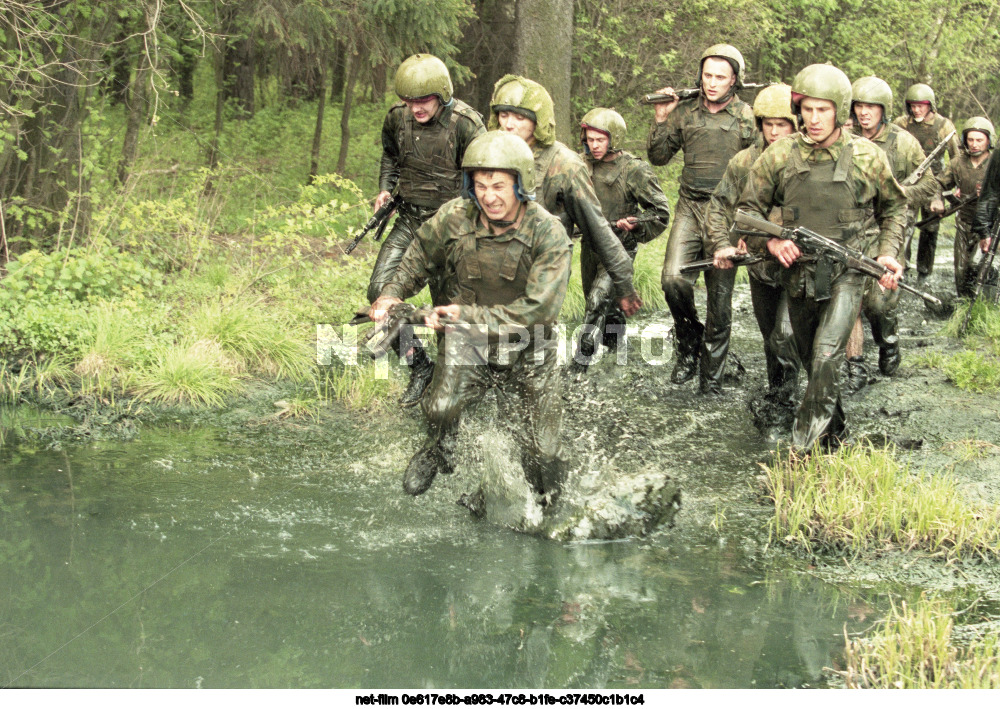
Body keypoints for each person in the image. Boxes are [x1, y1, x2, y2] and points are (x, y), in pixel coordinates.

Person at [370, 131, 572, 500]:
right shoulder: (454, 216)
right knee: (439, 409)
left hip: (531, 346)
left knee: (542, 453)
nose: (489, 196)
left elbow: (539, 309)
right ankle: (441, 448)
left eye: (499, 185)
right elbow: (419, 254)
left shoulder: (549, 233)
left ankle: (549, 507)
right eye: (479, 185)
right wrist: (391, 294)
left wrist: (467, 316)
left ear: (521, 184)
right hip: (468, 340)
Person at [738, 64, 907, 451]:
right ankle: (836, 437)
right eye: (808, 110)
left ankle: (803, 450)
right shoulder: (778, 157)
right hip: (797, 274)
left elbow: (896, 208)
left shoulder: (868, 157)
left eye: (823, 111)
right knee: (814, 362)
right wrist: (773, 244)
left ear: (840, 110)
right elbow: (747, 214)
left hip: (848, 271)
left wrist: (887, 252)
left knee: (827, 354)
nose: (814, 120)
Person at [367, 53, 486, 407]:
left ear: (442, 94)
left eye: (424, 100)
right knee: (381, 291)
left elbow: (485, 175)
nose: (416, 108)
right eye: (410, 101)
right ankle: (418, 366)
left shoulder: (466, 124)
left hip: (453, 228)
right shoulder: (396, 120)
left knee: (449, 311)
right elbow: (390, 155)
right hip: (410, 219)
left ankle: (462, 388)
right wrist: (386, 188)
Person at [488, 76, 643, 333]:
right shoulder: (490, 154)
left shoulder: (565, 164)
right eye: (503, 115)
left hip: (545, 266)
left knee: (532, 341)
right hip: (495, 261)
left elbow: (598, 230)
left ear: (538, 120)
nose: (508, 124)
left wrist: (624, 286)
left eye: (519, 117)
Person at [646, 44, 757, 386]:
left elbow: (762, 169)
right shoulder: (686, 112)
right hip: (690, 209)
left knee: (720, 303)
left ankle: (712, 377)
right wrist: (663, 118)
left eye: (720, 77)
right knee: (673, 280)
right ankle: (689, 342)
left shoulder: (747, 118)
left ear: (734, 80)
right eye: (707, 75)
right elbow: (659, 158)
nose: (712, 83)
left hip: (728, 215)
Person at [842, 76, 938, 392]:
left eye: (871, 106)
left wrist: (899, 192)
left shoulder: (904, 142)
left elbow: (930, 185)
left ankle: (888, 341)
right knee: (851, 299)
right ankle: (854, 366)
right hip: (851, 228)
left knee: (879, 302)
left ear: (884, 109)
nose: (864, 112)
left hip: (889, 228)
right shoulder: (842, 137)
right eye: (858, 105)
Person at [709, 83, 800, 415]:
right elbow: (720, 206)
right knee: (770, 339)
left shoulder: (810, 159)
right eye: (768, 124)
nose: (774, 132)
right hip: (761, 266)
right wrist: (723, 243)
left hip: (800, 266)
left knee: (786, 336)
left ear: (796, 124)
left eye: (783, 124)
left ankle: (790, 404)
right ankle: (778, 397)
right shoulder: (744, 162)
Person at [570, 107, 671, 374]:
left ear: (613, 139)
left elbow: (660, 212)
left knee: (595, 302)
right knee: (605, 308)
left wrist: (636, 223)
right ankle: (618, 359)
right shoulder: (579, 165)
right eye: (590, 139)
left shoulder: (633, 169)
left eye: (600, 140)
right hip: (590, 247)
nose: (594, 145)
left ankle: (578, 367)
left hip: (619, 247)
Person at [893, 83, 959, 283]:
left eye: (921, 105)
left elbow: (956, 157)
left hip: (935, 183)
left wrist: (952, 184)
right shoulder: (901, 123)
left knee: (930, 228)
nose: (916, 109)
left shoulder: (943, 125)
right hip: (909, 181)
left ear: (930, 105)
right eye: (913, 105)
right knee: (902, 224)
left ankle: (924, 271)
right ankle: (900, 266)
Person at [931, 117, 995, 297]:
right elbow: (939, 183)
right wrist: (937, 200)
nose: (974, 144)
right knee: (961, 272)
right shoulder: (958, 163)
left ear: (989, 141)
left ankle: (985, 308)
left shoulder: (995, 164)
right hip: (963, 225)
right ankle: (963, 307)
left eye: (979, 140)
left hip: (988, 228)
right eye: (971, 139)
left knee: (979, 267)